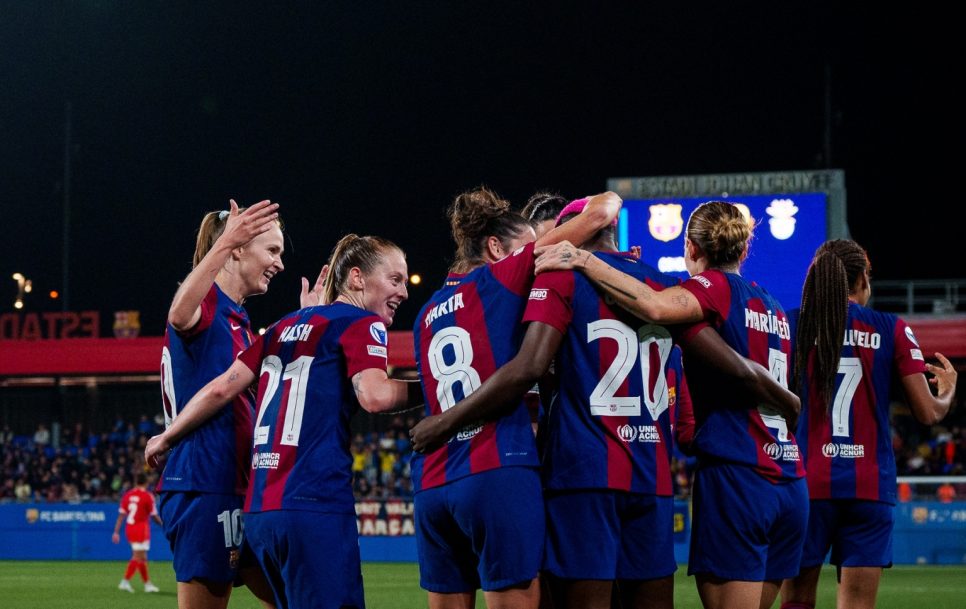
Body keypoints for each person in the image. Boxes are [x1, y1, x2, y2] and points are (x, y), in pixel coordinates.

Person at [412, 200, 795, 609]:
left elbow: (530, 366)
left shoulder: (562, 278)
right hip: (651, 475)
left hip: (582, 473)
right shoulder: (662, 287)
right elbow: (709, 367)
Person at [534, 201, 805, 609]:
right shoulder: (770, 305)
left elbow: (654, 307)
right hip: (779, 475)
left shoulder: (699, 291)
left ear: (692, 248)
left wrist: (585, 260)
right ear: (743, 249)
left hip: (731, 476)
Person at [148, 234, 422, 609]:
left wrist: (167, 436)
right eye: (395, 280)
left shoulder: (280, 328)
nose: (404, 291)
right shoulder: (363, 323)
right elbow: (374, 396)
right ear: (356, 278)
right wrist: (435, 389)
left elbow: (221, 389)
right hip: (313, 502)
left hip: (261, 511)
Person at [410, 187, 621, 609]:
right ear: (494, 248)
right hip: (495, 469)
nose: (538, 258)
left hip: (432, 482)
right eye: (530, 249)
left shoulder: (426, 313)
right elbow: (602, 211)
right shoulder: (503, 275)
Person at [780, 239, 957, 609]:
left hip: (807, 483)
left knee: (797, 600)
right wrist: (948, 390)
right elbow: (928, 414)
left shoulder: (792, 324)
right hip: (869, 488)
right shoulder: (890, 328)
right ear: (862, 279)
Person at [156, 199, 282, 609]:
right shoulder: (207, 305)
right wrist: (224, 244)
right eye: (273, 250)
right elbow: (178, 313)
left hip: (238, 484)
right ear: (240, 248)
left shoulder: (238, 321)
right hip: (205, 482)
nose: (279, 263)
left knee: (293, 596)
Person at [112, 473, 163, 593]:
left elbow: (121, 515)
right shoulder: (147, 496)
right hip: (141, 528)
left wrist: (116, 532)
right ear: (146, 483)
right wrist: (163, 524)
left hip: (130, 528)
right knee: (138, 556)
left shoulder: (128, 495)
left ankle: (147, 584)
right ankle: (125, 582)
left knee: (143, 557)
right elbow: (154, 516)